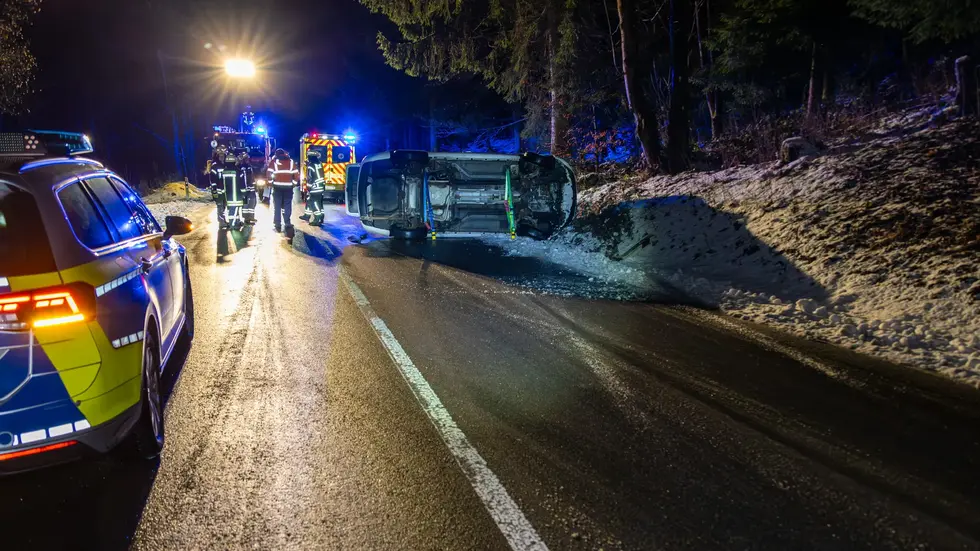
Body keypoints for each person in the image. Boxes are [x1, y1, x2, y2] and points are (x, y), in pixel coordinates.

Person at [266, 148, 299, 236]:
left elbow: (268, 174)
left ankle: (277, 224)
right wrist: (293, 184)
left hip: (277, 188)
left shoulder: (273, 162)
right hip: (288, 188)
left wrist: (270, 184)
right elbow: (296, 174)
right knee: (287, 206)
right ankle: (287, 223)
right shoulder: (291, 162)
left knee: (277, 206)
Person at [207, 145, 231, 229]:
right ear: (217, 156)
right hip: (219, 191)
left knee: (224, 206)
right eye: (220, 155)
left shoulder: (227, 165)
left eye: (223, 155)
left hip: (226, 191)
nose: (222, 157)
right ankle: (221, 223)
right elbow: (212, 180)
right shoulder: (215, 166)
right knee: (220, 206)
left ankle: (224, 221)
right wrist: (214, 191)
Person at [304, 150, 326, 226]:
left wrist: (308, 188)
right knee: (319, 202)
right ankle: (319, 217)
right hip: (321, 186)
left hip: (314, 187)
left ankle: (317, 219)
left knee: (313, 203)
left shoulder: (311, 166)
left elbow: (310, 178)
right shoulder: (319, 163)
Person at [239, 149, 258, 225]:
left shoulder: (244, 166)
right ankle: (248, 218)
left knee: (249, 203)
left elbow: (251, 177)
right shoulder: (245, 167)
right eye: (246, 158)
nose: (248, 159)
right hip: (248, 188)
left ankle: (249, 217)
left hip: (248, 188)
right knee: (248, 203)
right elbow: (248, 178)